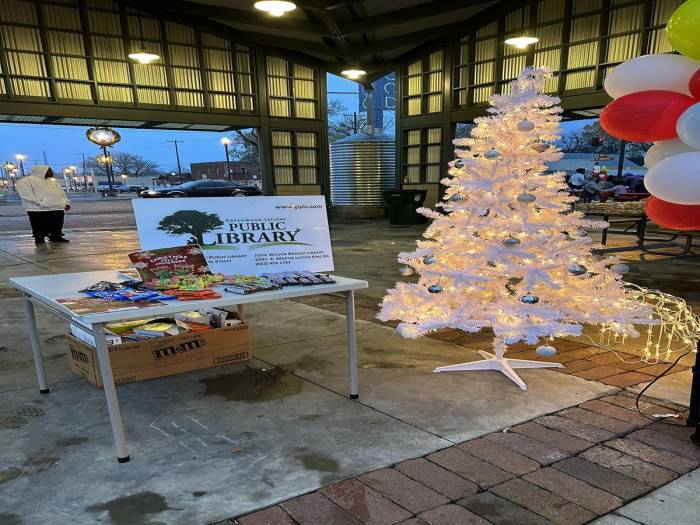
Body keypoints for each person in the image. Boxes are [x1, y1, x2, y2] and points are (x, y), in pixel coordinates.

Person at [16, 165, 71, 244]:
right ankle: (39, 238)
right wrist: (39, 202)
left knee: (57, 223)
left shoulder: (52, 181)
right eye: (49, 170)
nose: (51, 172)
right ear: (40, 171)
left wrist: (66, 203)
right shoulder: (25, 181)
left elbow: (61, 193)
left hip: (57, 207)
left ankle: (56, 236)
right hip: (37, 209)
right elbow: (26, 194)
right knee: (39, 225)